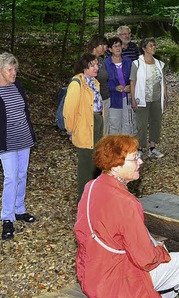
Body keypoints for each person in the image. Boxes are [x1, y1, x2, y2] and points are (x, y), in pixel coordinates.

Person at [74, 135, 179, 298]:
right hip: (114, 284)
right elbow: (145, 259)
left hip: (91, 274)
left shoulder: (91, 186)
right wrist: (160, 253)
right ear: (116, 165)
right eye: (134, 158)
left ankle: (168, 297)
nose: (140, 162)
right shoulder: (126, 202)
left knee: (155, 243)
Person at [0, 52, 37, 240]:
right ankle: (7, 218)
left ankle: (19, 209)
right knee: (11, 177)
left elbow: (24, 109)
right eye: (10, 69)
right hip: (6, 141)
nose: (14, 73)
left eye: (15, 69)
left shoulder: (17, 86)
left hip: (24, 138)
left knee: (22, 174)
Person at [63, 54, 104, 200]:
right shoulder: (77, 84)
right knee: (86, 164)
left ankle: (95, 196)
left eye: (97, 64)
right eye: (92, 65)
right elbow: (69, 110)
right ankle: (83, 200)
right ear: (84, 66)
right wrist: (70, 129)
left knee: (98, 160)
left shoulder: (94, 82)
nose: (96, 67)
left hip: (97, 121)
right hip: (85, 125)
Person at [130, 38, 167, 159]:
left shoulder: (159, 64)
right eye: (151, 45)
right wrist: (133, 99)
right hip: (142, 98)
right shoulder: (137, 63)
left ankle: (153, 147)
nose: (153, 47)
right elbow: (133, 82)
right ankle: (140, 148)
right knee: (142, 123)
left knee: (155, 122)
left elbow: (163, 81)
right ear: (144, 48)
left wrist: (165, 96)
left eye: (154, 45)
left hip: (156, 98)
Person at [104, 37, 134, 135]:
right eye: (115, 46)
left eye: (119, 45)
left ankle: (126, 148)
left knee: (128, 124)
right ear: (110, 49)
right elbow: (103, 83)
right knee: (114, 125)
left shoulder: (128, 62)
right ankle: (115, 149)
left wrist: (130, 86)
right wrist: (114, 87)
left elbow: (134, 78)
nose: (118, 48)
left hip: (128, 98)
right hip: (113, 99)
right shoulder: (106, 64)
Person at [87, 35, 111, 134]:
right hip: (92, 101)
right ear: (95, 45)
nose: (104, 48)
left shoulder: (101, 60)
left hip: (104, 97)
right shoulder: (86, 60)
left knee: (104, 128)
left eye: (105, 45)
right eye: (102, 45)